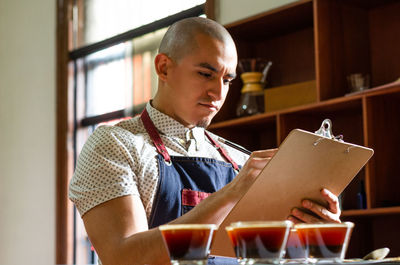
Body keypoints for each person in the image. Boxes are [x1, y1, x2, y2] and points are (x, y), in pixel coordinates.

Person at [69, 17, 341, 265]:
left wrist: (314, 237)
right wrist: (229, 194)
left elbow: (276, 260)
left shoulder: (238, 160)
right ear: (163, 68)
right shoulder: (115, 145)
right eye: (205, 74)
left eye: (227, 80)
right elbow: (123, 258)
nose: (218, 92)